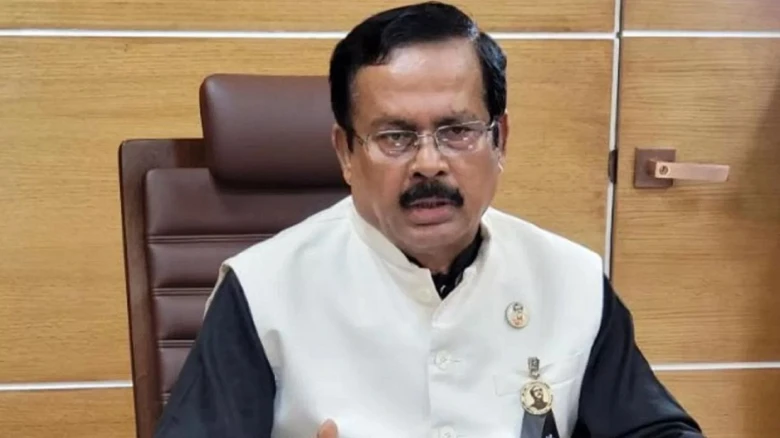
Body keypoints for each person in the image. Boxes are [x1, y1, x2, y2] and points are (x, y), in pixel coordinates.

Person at [153, 2, 704, 438]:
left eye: (457, 131)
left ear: (499, 139)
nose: (429, 163)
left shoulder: (570, 278)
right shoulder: (262, 289)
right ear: (346, 152)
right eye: (394, 136)